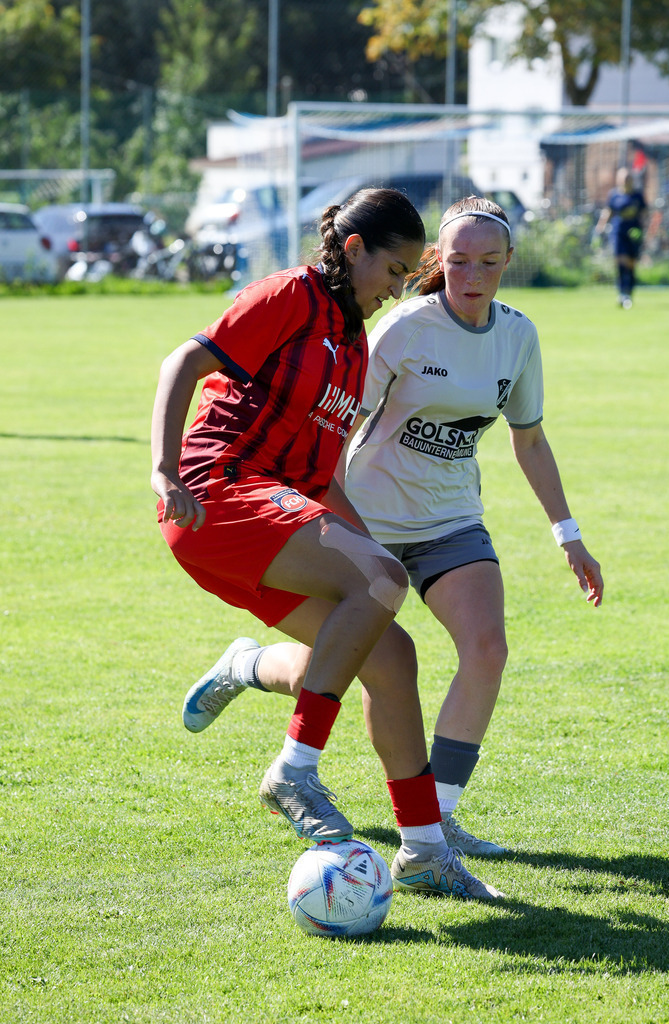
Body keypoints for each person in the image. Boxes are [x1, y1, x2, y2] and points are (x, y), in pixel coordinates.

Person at [192, 194, 604, 861]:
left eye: (489, 263)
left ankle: (435, 822)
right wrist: (319, 512)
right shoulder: (400, 327)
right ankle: (250, 665)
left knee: (486, 649)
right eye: (460, 261)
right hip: (366, 517)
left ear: (508, 264)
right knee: (354, 660)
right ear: (440, 261)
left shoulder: (517, 336)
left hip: (449, 520)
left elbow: (528, 440)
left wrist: (568, 533)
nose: (473, 276)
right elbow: (338, 422)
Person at [151, 187, 503, 901]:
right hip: (213, 492)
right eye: (395, 270)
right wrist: (161, 467)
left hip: (265, 511)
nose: (399, 287)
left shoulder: (349, 343)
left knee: (392, 654)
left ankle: (425, 850)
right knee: (376, 583)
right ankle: (294, 769)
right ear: (352, 250)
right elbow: (180, 364)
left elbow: (317, 477)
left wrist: (366, 548)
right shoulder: (289, 294)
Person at [595, 167, 647, 309]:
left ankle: (629, 293)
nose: (626, 180)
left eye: (628, 178)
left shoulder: (637, 196)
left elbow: (643, 214)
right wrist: (600, 227)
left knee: (630, 265)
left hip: (634, 234)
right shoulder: (614, 195)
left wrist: (645, 232)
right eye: (623, 178)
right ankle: (621, 293)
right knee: (620, 262)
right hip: (618, 232)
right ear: (618, 180)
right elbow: (608, 211)